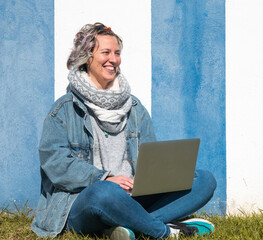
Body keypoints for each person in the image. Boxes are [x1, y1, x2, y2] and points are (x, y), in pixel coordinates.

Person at [31, 22, 217, 239]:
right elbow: (56, 163)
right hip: (86, 199)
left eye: (117, 53)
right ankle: (164, 231)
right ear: (87, 57)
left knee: (204, 179)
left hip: (132, 197)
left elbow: (150, 158)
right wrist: (104, 178)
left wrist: (150, 179)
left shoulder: (135, 108)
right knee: (105, 192)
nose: (114, 59)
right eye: (106, 52)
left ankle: (131, 227)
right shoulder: (63, 109)